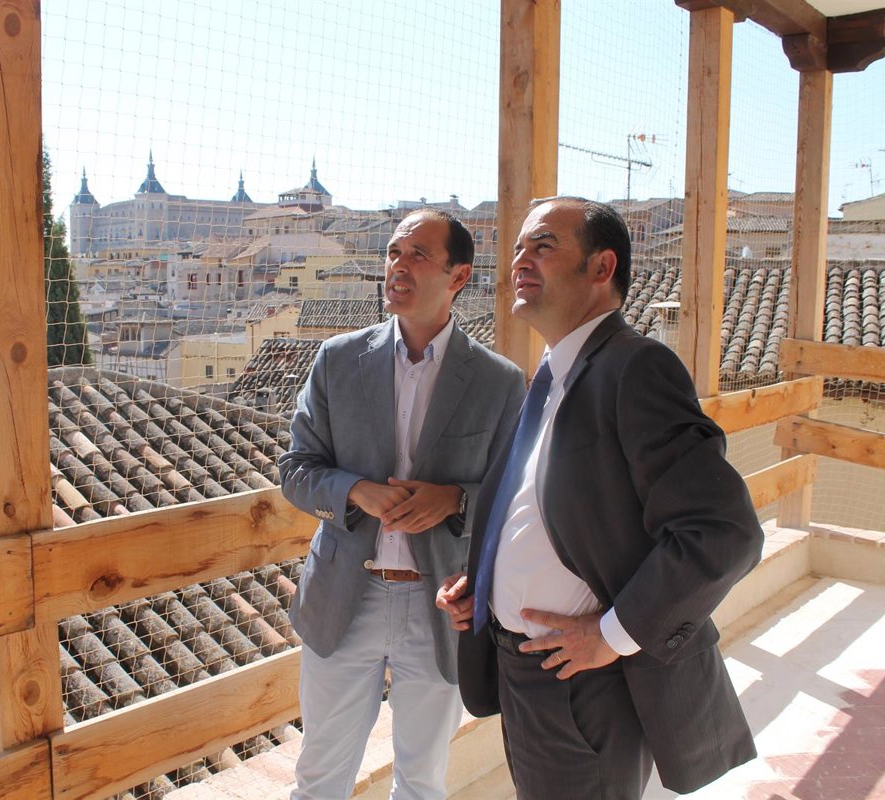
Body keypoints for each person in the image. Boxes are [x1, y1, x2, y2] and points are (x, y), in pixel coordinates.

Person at [437, 197, 763, 799]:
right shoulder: (550, 379)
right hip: (521, 671)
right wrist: (486, 584)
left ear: (601, 266)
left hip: (582, 686)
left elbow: (724, 532)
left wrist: (611, 635)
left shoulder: (636, 369)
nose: (520, 262)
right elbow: (550, 512)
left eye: (543, 246)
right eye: (517, 249)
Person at [279, 209, 525, 800]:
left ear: (458, 276)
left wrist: (455, 500)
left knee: (421, 782)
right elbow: (296, 471)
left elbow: (515, 497)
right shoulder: (338, 360)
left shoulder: (499, 381)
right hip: (344, 598)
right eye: (393, 252)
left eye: (418, 255)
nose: (398, 266)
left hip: (440, 607)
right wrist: (355, 492)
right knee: (319, 778)